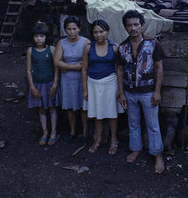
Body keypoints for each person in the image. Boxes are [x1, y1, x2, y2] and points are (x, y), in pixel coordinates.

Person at [116, 10, 166, 174]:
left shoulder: (153, 43)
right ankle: (136, 148)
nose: (133, 28)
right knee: (133, 123)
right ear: (125, 27)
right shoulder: (122, 47)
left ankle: (157, 154)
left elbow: (159, 68)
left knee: (153, 125)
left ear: (142, 25)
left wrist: (157, 92)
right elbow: (120, 70)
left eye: (136, 24)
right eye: (129, 25)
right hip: (130, 92)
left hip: (148, 92)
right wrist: (121, 93)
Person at [82, 20, 123, 154]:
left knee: (112, 114)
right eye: (95, 32)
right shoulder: (88, 47)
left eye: (101, 31)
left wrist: (120, 90)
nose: (99, 35)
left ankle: (114, 140)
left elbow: (119, 69)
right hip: (93, 83)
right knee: (97, 114)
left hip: (110, 83)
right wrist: (85, 89)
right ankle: (98, 140)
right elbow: (84, 69)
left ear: (107, 31)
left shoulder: (114, 47)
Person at [54, 16, 90, 143]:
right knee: (70, 106)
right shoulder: (61, 43)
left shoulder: (85, 42)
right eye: (69, 29)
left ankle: (85, 132)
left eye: (74, 28)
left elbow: (88, 61)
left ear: (79, 28)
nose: (72, 32)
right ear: (65, 30)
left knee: (83, 106)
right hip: (68, 79)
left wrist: (66, 66)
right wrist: (73, 66)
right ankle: (72, 131)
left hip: (82, 78)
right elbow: (56, 61)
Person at [26, 22, 61, 146]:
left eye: (41, 36)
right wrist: (32, 87)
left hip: (50, 83)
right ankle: (45, 132)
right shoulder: (30, 51)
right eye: (36, 36)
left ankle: (53, 132)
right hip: (37, 84)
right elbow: (28, 70)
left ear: (46, 37)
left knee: (52, 108)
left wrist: (55, 84)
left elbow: (56, 67)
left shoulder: (51, 49)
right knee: (41, 109)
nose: (39, 39)